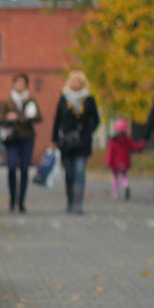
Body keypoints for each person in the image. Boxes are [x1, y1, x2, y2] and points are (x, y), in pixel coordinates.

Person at [51, 70, 101, 214]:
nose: (76, 84)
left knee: (80, 171)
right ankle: (70, 201)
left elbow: (95, 120)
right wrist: (55, 138)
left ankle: (78, 204)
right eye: (74, 81)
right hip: (66, 142)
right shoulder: (64, 99)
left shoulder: (89, 100)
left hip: (82, 143)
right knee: (70, 173)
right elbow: (57, 119)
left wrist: (87, 132)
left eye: (78, 81)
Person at [0, 73, 41, 212]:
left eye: (22, 83)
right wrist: (9, 117)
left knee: (24, 169)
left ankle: (21, 201)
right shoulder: (8, 101)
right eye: (17, 83)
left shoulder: (30, 101)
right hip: (12, 139)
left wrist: (28, 117)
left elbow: (39, 117)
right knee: (11, 167)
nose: (19, 86)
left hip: (27, 137)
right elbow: (0, 119)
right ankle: (12, 199)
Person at [105, 118, 146, 200]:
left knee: (115, 178)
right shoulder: (127, 139)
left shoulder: (113, 140)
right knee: (124, 176)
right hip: (124, 162)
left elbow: (110, 153)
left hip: (115, 163)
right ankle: (126, 185)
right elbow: (134, 146)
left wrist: (108, 162)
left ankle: (115, 194)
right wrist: (143, 143)